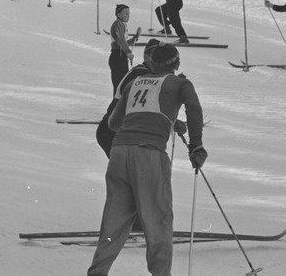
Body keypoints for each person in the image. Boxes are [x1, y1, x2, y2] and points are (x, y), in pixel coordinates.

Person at [87, 42, 207, 276]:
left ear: (150, 62)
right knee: (158, 221)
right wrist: (196, 145)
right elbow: (194, 108)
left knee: (113, 223)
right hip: (149, 154)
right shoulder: (180, 83)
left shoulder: (134, 83)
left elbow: (113, 123)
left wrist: (154, 120)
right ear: (177, 63)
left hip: (120, 153)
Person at [96, 38, 159, 158]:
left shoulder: (144, 73)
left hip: (117, 131)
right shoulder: (140, 75)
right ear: (146, 56)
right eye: (156, 58)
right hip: (111, 131)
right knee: (127, 172)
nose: (160, 62)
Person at [109, 4, 142, 95]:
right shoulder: (118, 24)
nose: (128, 16)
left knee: (122, 84)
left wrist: (136, 37)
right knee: (120, 85)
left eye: (129, 14)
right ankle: (116, 106)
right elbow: (121, 40)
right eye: (126, 14)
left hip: (121, 56)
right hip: (117, 56)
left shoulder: (123, 24)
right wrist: (128, 52)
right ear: (119, 15)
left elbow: (124, 42)